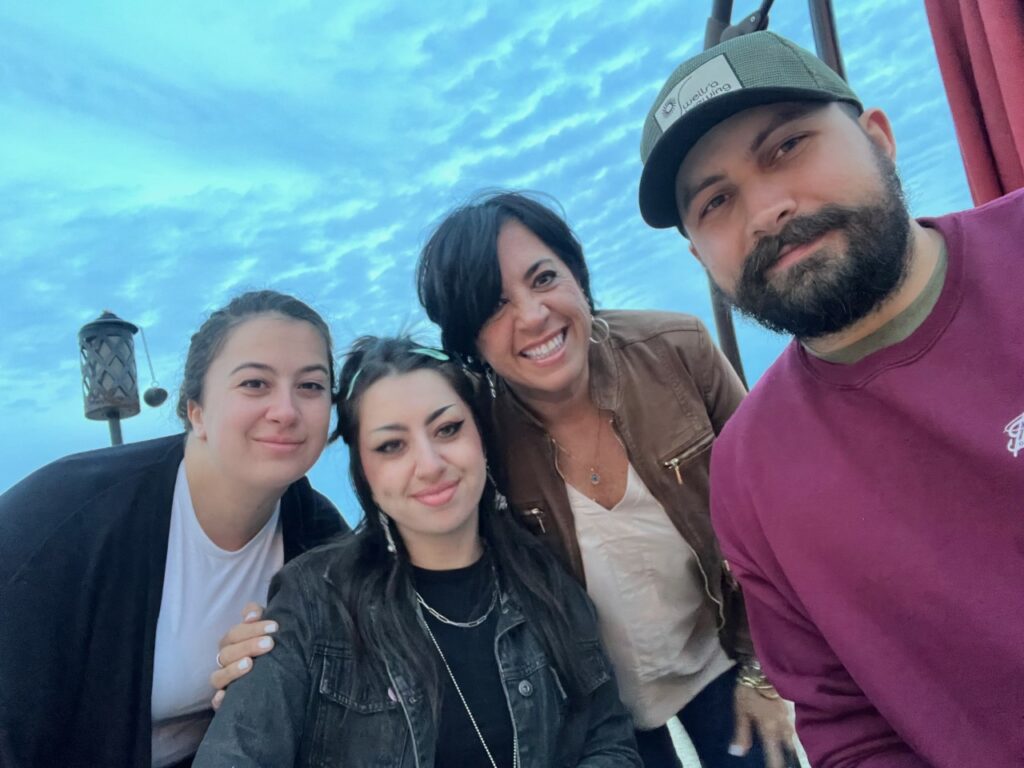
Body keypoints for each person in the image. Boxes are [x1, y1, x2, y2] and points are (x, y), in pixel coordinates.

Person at [637, 30, 1024, 768]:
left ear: (877, 136)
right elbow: (848, 730)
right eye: (716, 201)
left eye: (786, 147)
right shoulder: (750, 474)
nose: (766, 209)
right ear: (698, 256)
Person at [416, 191, 796, 768]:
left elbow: (771, 515)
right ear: (470, 342)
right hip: (594, 706)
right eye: (494, 306)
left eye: (544, 278)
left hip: (723, 656)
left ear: (578, 276)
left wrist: (764, 672)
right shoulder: (472, 433)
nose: (532, 315)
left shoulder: (677, 351)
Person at [193, 336, 641, 767]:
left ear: (481, 437)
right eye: (391, 446)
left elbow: (608, 739)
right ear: (363, 472)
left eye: (447, 429)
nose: (429, 465)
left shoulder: (544, 579)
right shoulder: (315, 599)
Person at [0, 290, 349, 768]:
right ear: (196, 411)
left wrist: (259, 694)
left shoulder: (321, 539)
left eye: (310, 386)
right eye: (254, 383)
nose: (286, 410)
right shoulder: (61, 523)